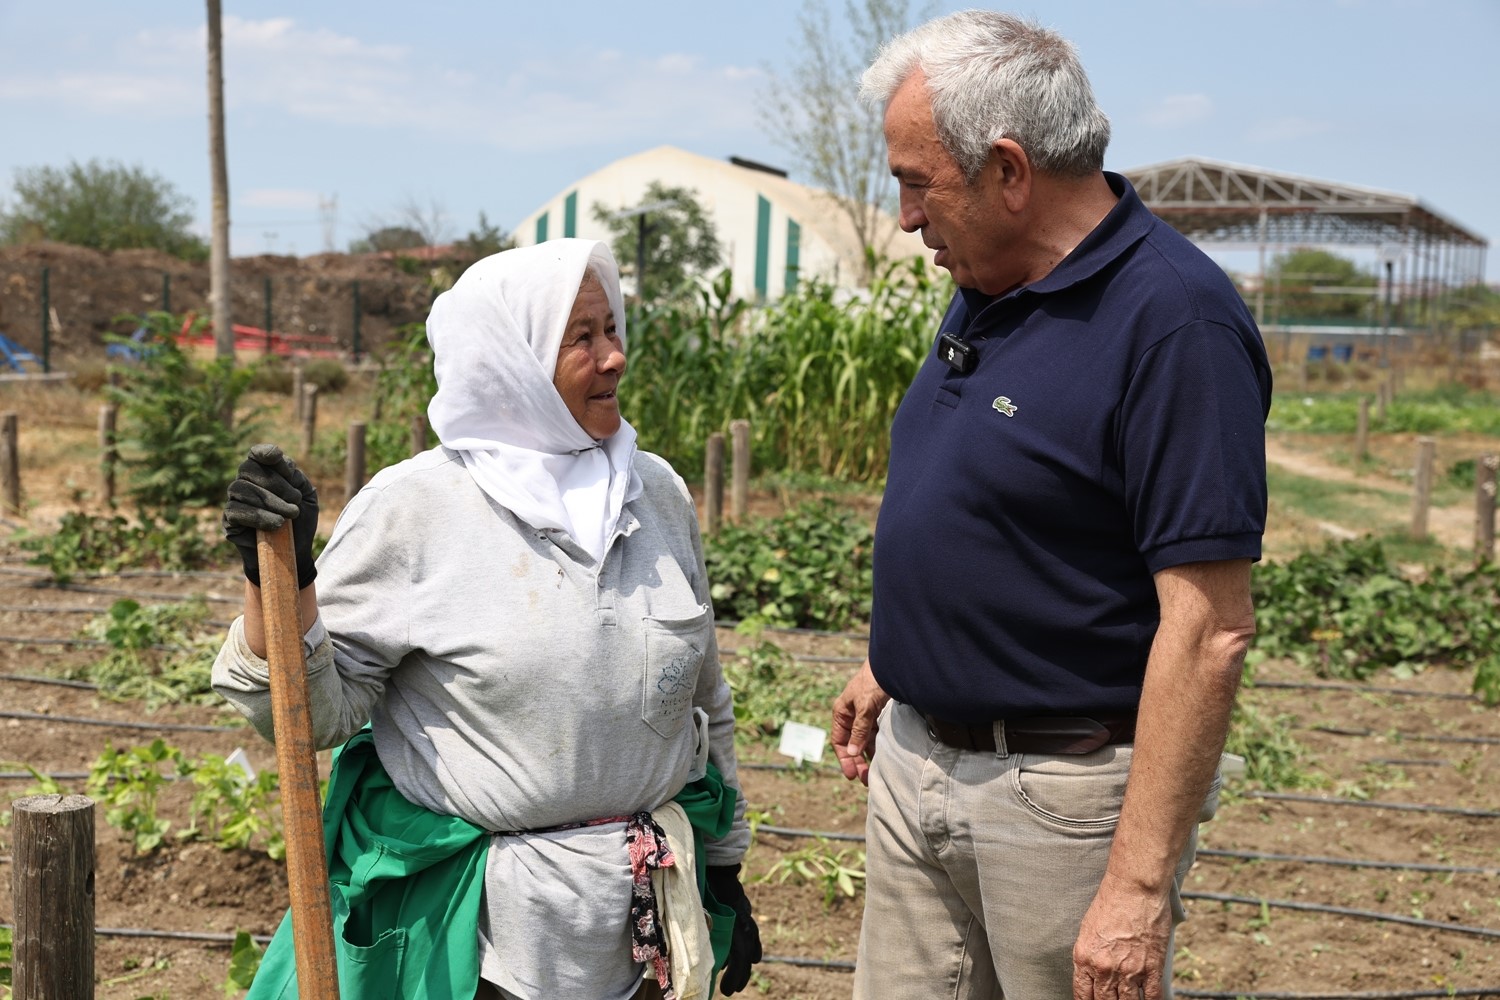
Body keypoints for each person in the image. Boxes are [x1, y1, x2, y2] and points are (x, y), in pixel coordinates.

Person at [830, 11, 1271, 1000]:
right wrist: (899, 654)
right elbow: (1001, 503)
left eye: (915, 181)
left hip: (1059, 801)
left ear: (1010, 172)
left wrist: (1136, 887)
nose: (905, 216)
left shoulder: (1175, 324)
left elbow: (1208, 627)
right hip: (917, 766)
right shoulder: (987, 280)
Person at [213, 239, 762, 1000]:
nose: (613, 359)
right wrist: (279, 577)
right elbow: (311, 718)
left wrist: (725, 866)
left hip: (646, 923)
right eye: (581, 338)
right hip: (486, 942)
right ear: (513, 360)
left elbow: (706, 698)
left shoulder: (655, 491)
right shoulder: (418, 509)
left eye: (612, 331)